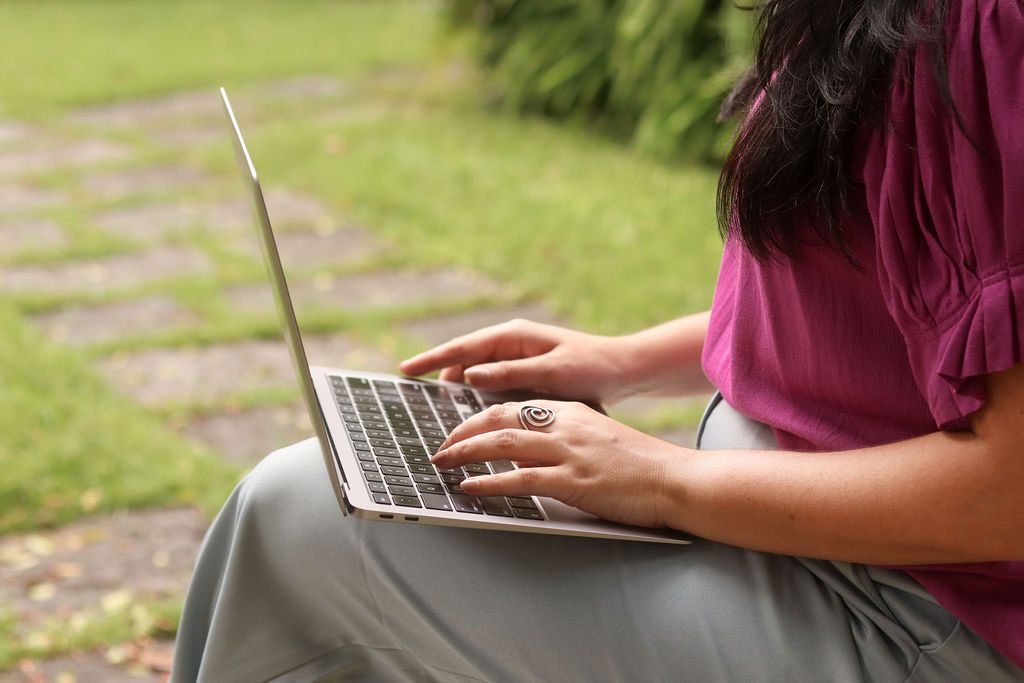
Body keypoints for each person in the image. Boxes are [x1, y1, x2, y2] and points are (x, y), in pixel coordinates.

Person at [171, 0, 1024, 680]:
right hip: (792, 535)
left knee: (300, 518)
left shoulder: (977, 32)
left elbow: (1009, 488)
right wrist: (626, 359)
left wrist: (660, 478)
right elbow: (878, 313)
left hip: (917, 622)